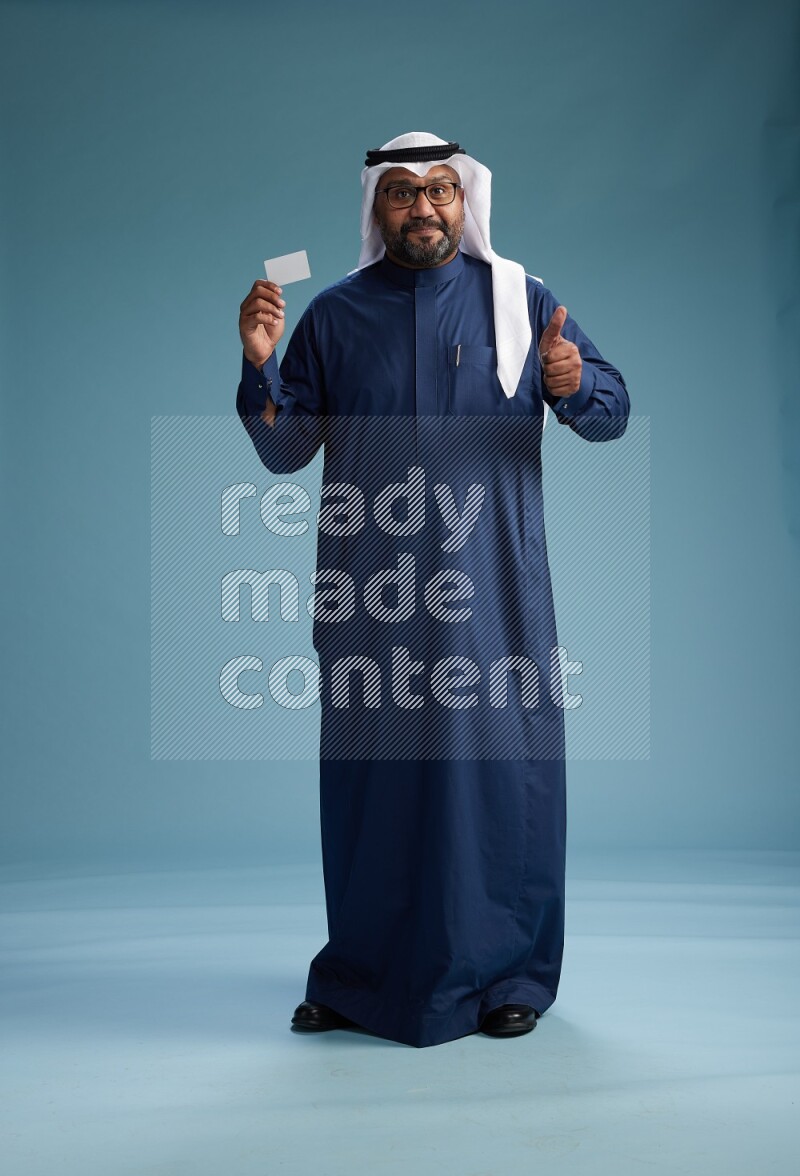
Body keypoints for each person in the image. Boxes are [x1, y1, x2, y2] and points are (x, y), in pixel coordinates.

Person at [235, 132, 629, 1048]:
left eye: (441, 190)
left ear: (466, 201)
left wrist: (575, 384)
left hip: (494, 589)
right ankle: (360, 977)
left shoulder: (523, 300)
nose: (425, 208)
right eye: (404, 193)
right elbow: (287, 448)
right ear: (378, 208)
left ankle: (508, 976)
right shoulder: (333, 314)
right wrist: (260, 363)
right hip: (370, 591)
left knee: (496, 776)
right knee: (373, 781)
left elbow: (608, 414)